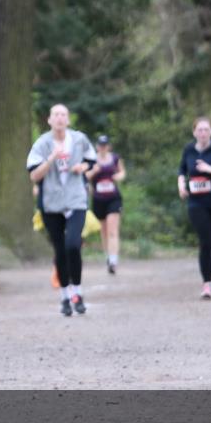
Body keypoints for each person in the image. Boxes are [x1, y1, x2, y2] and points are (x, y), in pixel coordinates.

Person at [26, 104, 97, 316]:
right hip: (51, 203)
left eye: (63, 115)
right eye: (55, 115)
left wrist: (82, 167)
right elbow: (34, 176)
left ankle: (78, 292)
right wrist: (51, 159)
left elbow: (91, 161)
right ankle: (65, 296)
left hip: (76, 200)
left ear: (68, 119)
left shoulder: (79, 140)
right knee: (60, 249)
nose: (59, 118)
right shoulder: (42, 144)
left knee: (73, 245)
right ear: (49, 120)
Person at [177, 117, 211, 300]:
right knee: (205, 242)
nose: (202, 133)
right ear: (194, 132)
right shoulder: (189, 149)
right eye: (199, 130)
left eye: (206, 130)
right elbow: (181, 170)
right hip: (197, 203)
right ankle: (206, 285)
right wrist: (181, 184)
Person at [85, 135, 125, 274]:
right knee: (104, 230)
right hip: (98, 199)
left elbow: (122, 172)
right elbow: (85, 176)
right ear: (97, 146)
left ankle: (113, 261)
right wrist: (94, 171)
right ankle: (108, 256)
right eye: (100, 145)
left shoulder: (115, 158)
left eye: (105, 145)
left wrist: (118, 176)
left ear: (108, 146)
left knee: (112, 229)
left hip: (113, 198)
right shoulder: (92, 159)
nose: (103, 147)